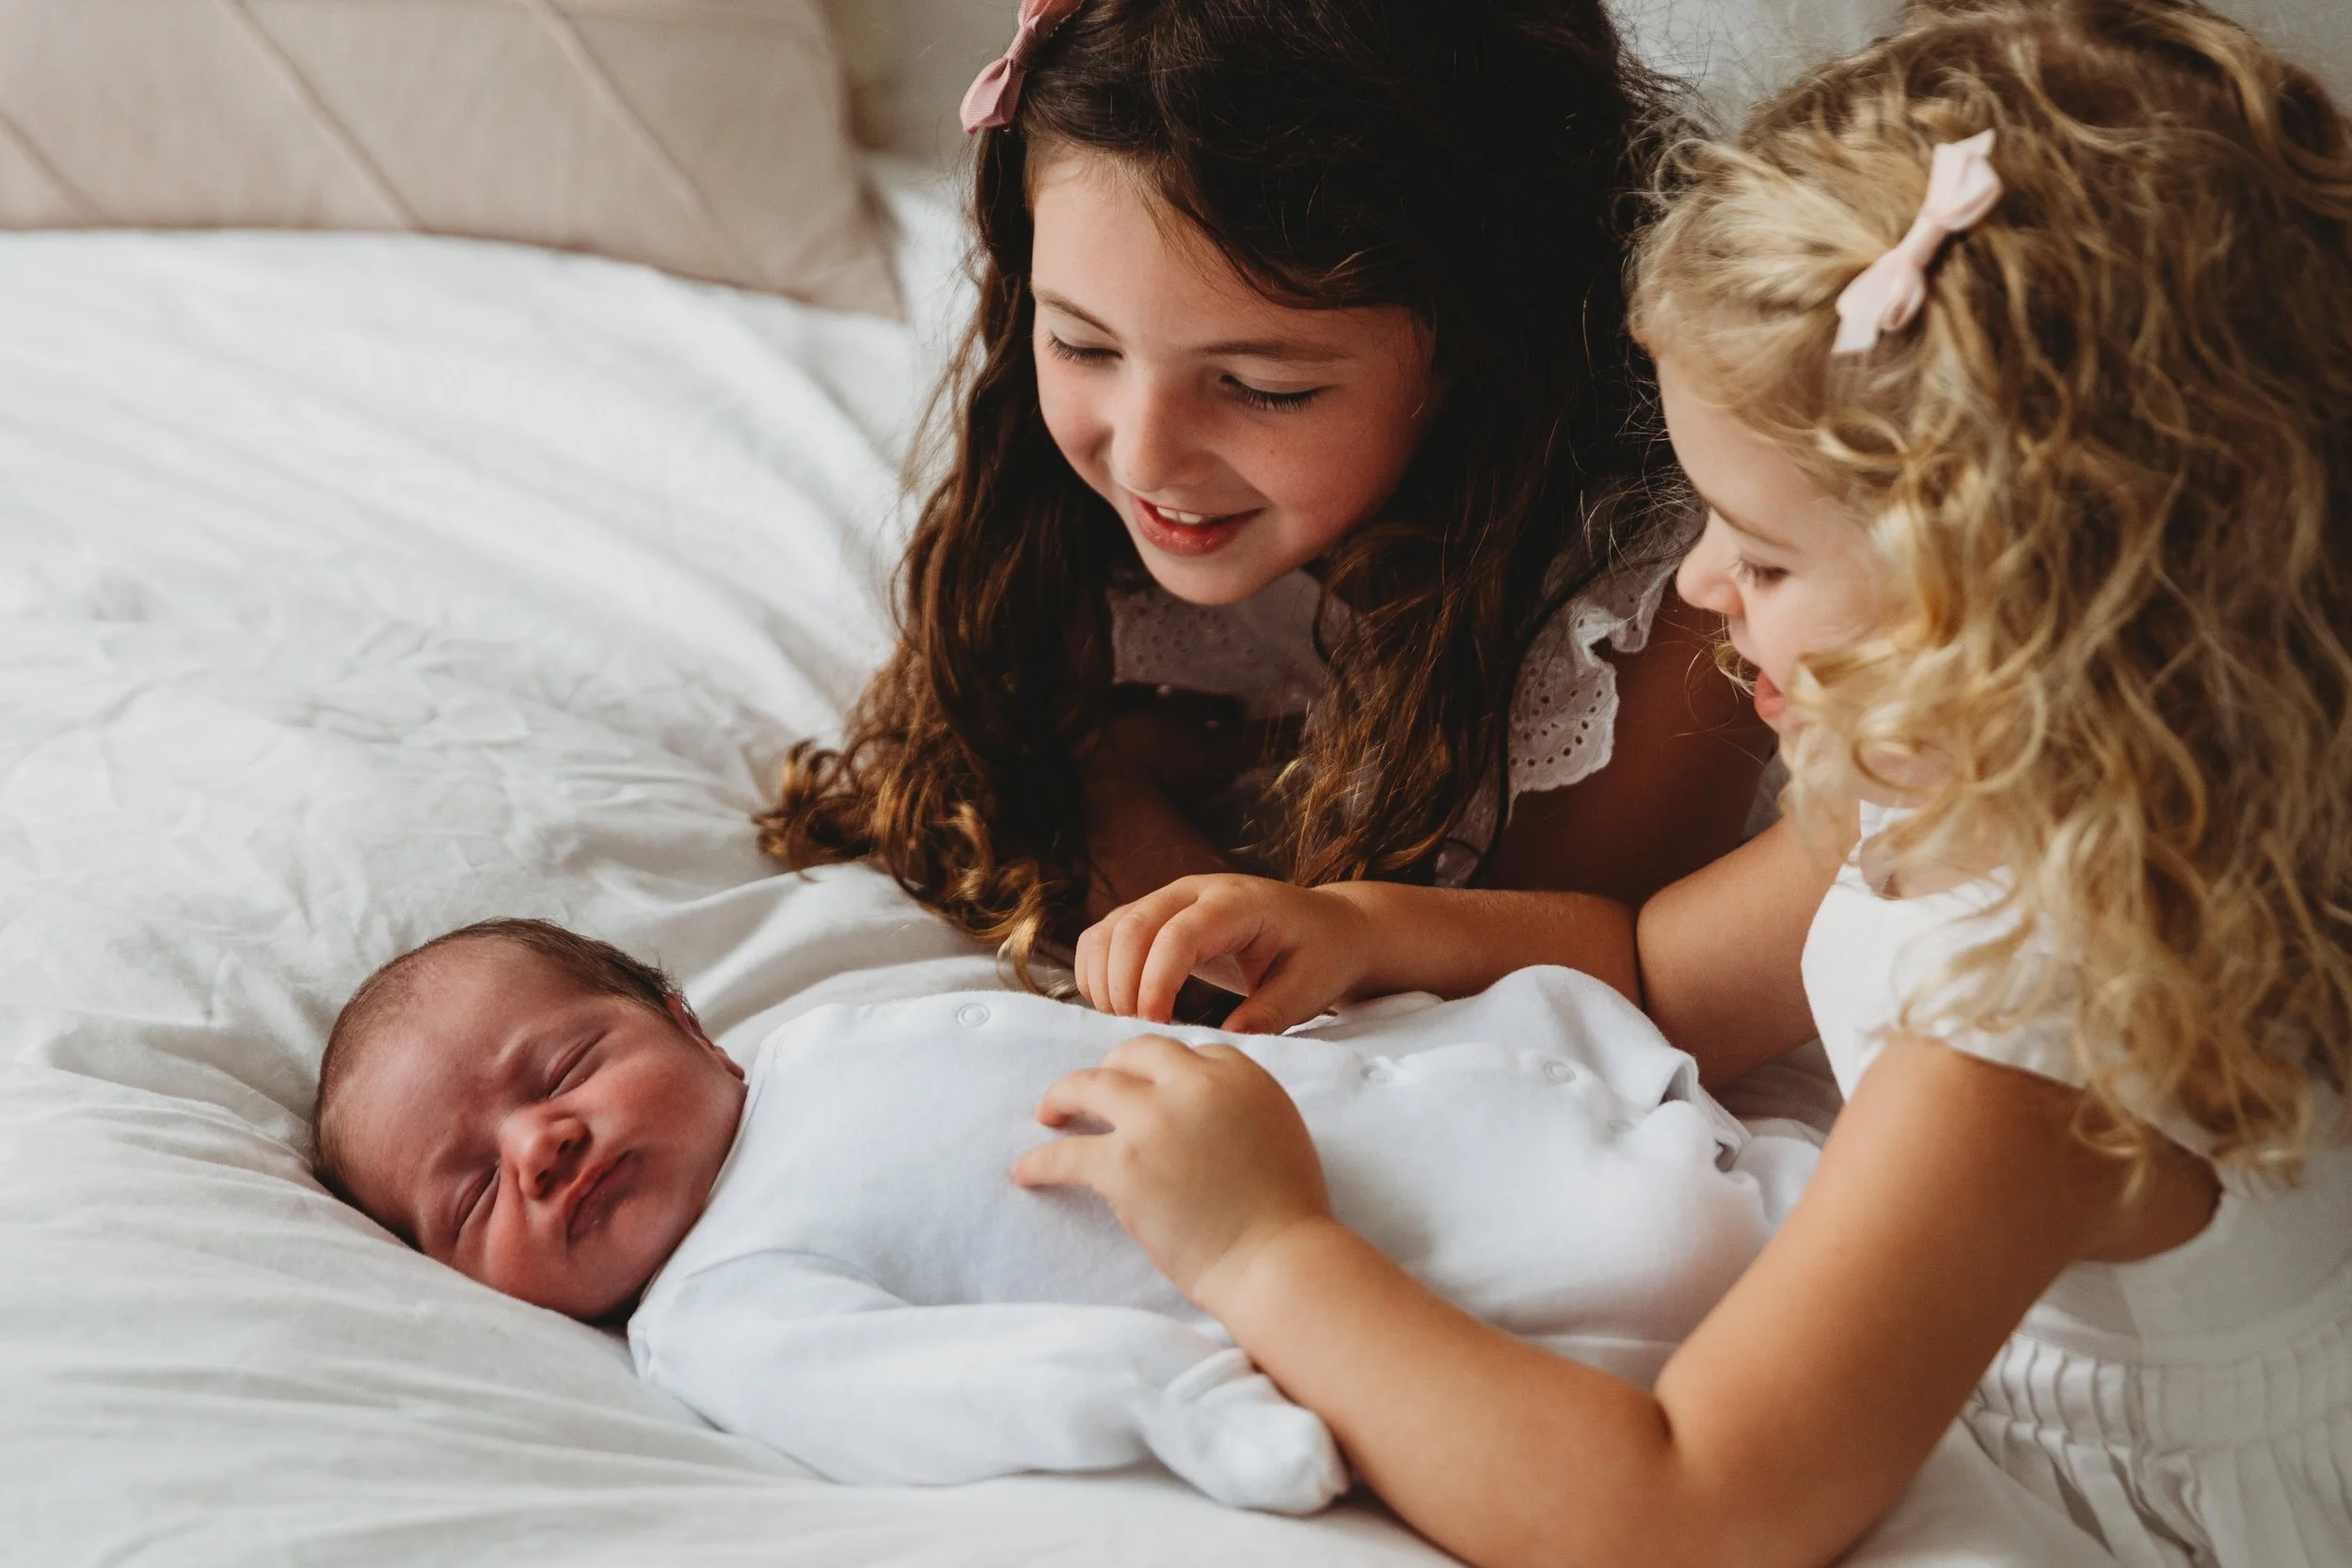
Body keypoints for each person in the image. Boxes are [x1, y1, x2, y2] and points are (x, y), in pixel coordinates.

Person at [1021, 3, 2352, 1562]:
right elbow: (1663, 966)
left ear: (2031, 592)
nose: (1702, 588)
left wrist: (1260, 1243)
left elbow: (1679, 1508)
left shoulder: (2042, 1014)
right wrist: (1360, 926)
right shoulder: (1966, 766)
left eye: (1769, 553)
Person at [756, 0, 1770, 992]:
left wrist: (1103, 790)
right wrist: (1095, 777)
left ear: (1480, 352)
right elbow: (971, 737)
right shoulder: (1058, 487)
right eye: (1080, 342)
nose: (1147, 456)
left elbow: (1548, 999)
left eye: (1262, 388)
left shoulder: (1672, 603)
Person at [308, 919, 1817, 1511]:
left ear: (689, 1020)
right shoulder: (721, 1308)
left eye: (563, 1066)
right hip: (1513, 1297)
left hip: (1510, 1083)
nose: (543, 1143)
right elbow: (935, 1390)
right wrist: (1193, 1406)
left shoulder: (817, 1042)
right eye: (469, 1190)